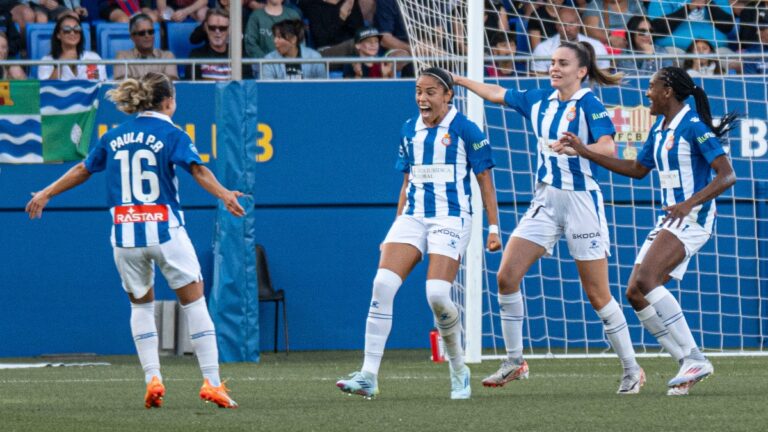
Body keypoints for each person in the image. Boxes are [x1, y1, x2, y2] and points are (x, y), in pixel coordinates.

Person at [25, 72, 244, 409]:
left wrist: (46, 192)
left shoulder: (114, 135)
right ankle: (212, 382)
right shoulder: (171, 133)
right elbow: (198, 170)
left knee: (140, 306)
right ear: (168, 100)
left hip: (125, 235)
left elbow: (84, 169)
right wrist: (225, 194)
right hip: (165, 230)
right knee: (195, 303)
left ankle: (152, 378)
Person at [454, 40, 645, 394]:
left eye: (562, 63)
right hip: (545, 201)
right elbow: (497, 93)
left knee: (597, 293)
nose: (553, 68)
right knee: (506, 276)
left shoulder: (589, 103)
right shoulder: (539, 99)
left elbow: (608, 147)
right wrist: (461, 80)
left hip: (581, 202)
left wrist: (579, 147)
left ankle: (632, 368)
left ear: (582, 70)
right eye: (552, 62)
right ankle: (514, 361)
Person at [560, 66, 738, 396]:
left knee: (646, 280)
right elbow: (638, 170)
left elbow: (727, 175)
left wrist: (689, 203)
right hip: (670, 219)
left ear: (668, 91)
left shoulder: (694, 127)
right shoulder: (659, 128)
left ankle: (696, 357)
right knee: (635, 293)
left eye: (651, 86)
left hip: (692, 218)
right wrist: (585, 151)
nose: (647, 93)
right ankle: (686, 365)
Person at [336, 67, 502, 400]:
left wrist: (494, 228)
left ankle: (458, 368)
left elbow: (485, 179)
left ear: (447, 95)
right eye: (417, 91)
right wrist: (395, 225)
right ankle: (368, 375)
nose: (421, 99)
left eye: (429, 92)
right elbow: (407, 180)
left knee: (437, 295)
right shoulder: (408, 129)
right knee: (382, 284)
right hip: (413, 217)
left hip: (451, 218)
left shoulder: (466, 129)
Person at [530, 7, 610, 75]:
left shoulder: (596, 46)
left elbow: (603, 80)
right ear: (556, 25)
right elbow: (539, 82)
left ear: (579, 23)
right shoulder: (543, 49)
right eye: (563, 25)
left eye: (571, 24)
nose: (567, 29)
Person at [37, 14, 107, 81]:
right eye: (67, 29)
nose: (72, 33)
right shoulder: (47, 60)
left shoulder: (93, 58)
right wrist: (60, 63)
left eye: (77, 29)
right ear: (58, 35)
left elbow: (101, 85)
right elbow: (46, 89)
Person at [188, 8, 250, 80]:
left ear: (229, 29)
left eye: (223, 28)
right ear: (205, 27)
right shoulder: (196, 55)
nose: (217, 32)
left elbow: (247, 86)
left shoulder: (240, 55)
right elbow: (191, 88)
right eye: (212, 28)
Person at [114, 13, 178, 80]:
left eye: (150, 32)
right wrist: (157, 80)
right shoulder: (122, 56)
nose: (147, 36)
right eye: (142, 33)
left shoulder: (167, 56)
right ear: (132, 37)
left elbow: (172, 81)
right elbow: (121, 82)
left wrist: (137, 81)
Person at [261, 19, 326, 80]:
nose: (275, 41)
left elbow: (322, 87)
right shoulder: (268, 60)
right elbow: (267, 89)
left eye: (279, 37)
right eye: (275, 37)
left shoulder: (314, 57)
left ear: (293, 39)